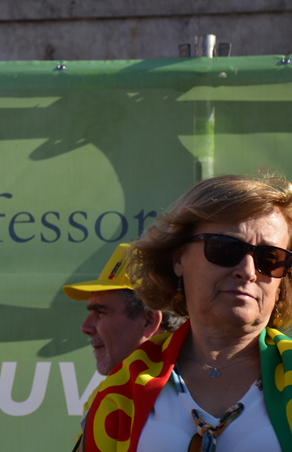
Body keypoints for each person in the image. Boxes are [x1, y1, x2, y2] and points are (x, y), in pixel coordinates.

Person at [79, 173, 292, 452]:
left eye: (269, 258)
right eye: (225, 248)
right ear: (178, 257)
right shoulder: (121, 389)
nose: (248, 271)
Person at [63, 243, 185, 376]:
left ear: (148, 321)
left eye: (101, 313)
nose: (85, 327)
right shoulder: (118, 393)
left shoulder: (192, 391)